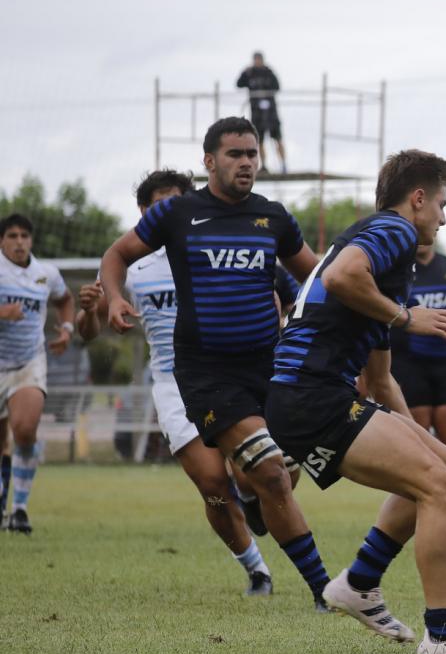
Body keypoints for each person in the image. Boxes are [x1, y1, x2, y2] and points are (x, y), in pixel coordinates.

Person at [266, 149, 446, 654]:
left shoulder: (386, 266)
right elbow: (339, 277)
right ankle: (445, 635)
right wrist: (406, 319)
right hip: (309, 395)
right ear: (417, 199)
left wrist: (418, 439)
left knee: (442, 463)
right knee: (438, 482)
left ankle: (359, 583)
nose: (444, 218)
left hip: (308, 396)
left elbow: (380, 380)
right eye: (441, 204)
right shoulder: (394, 232)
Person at [101, 116, 332, 607]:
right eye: (235, 154)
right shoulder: (179, 214)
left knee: (279, 478)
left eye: (252, 153)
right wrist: (114, 298)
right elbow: (116, 255)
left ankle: (256, 503)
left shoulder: (273, 217)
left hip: (268, 368)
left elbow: (315, 278)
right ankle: (323, 591)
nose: (246, 161)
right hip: (205, 372)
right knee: (263, 474)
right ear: (209, 161)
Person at [76, 170, 271, 592]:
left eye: (177, 202)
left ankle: (254, 497)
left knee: (252, 472)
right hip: (172, 383)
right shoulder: (133, 265)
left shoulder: (213, 248)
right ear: (145, 213)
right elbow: (89, 332)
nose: (171, 212)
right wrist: (94, 310)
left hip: (225, 375)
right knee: (213, 485)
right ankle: (256, 568)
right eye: (160, 205)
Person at [0, 213, 75, 534]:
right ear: (2, 240)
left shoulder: (46, 274)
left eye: (24, 236)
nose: (19, 242)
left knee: (25, 429)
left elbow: (66, 298)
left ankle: (19, 509)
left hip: (29, 362)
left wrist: (67, 329)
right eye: (12, 236)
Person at [389, 237, 446, 459]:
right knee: (415, 443)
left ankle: (440, 483)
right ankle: (422, 487)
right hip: (407, 364)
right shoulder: (396, 270)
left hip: (444, 362)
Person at [236, 52, 286, 173]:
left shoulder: (269, 73)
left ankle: (284, 165)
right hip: (256, 112)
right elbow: (239, 84)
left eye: (259, 60)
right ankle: (264, 165)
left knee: (277, 138)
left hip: (271, 112)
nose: (257, 62)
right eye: (256, 60)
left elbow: (277, 87)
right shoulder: (250, 73)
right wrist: (245, 72)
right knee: (260, 140)